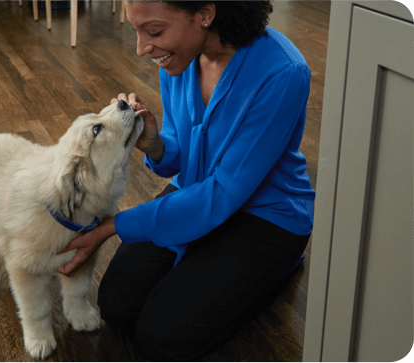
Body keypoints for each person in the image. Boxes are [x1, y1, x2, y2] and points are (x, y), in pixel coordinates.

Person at [56, 0, 316, 360]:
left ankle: (276, 269)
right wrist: (155, 144)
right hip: (197, 194)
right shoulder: (176, 57)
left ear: (205, 14)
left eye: (155, 31)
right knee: (116, 305)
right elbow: (184, 155)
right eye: (137, 31)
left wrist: (111, 226)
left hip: (266, 215)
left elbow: (223, 193)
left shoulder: (283, 71)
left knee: (161, 338)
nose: (142, 48)